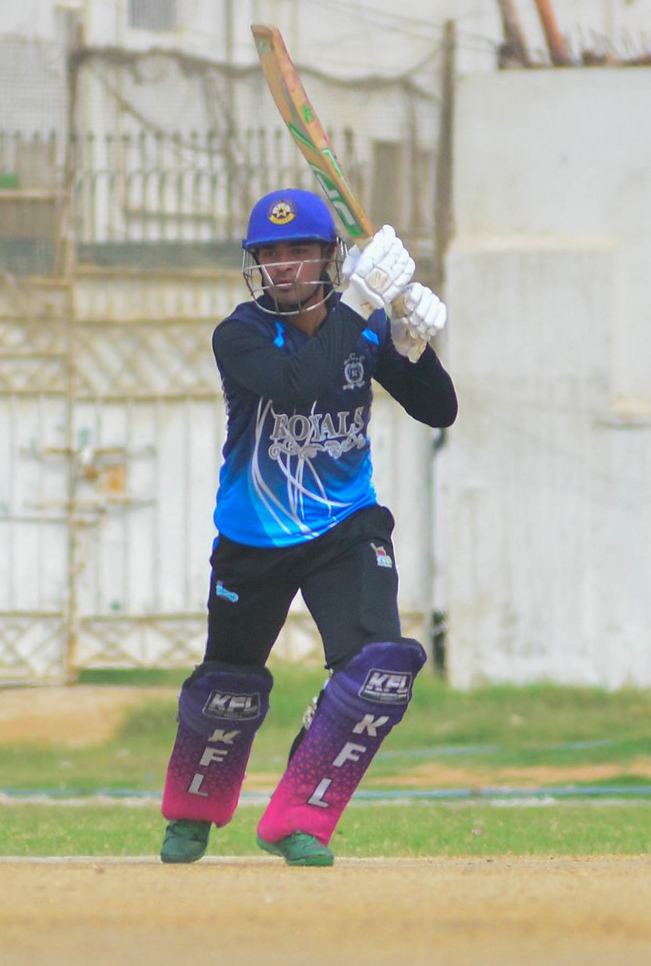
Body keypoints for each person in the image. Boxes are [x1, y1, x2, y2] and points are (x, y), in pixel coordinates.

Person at [157, 189, 456, 867]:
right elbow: (301, 383)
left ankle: (298, 818)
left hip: (345, 526)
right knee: (229, 686)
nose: (285, 265)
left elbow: (439, 410)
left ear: (328, 257)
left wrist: (414, 346)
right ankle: (193, 810)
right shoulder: (238, 335)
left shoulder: (364, 326)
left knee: (381, 669)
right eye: (271, 253)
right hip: (255, 537)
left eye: (300, 250)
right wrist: (361, 304)